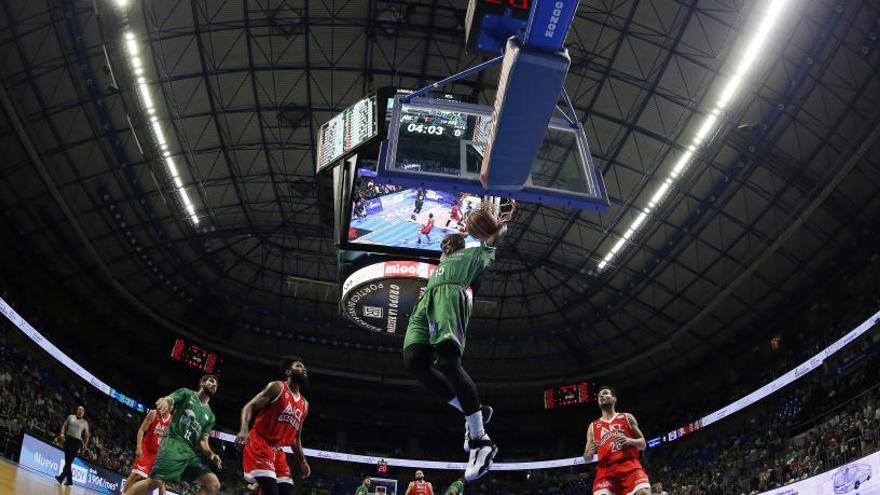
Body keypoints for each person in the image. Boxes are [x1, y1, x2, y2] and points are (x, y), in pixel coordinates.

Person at [403, 208, 512, 481]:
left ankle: (480, 441)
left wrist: (495, 224)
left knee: (448, 363)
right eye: (444, 244)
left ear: (464, 242)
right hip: (426, 303)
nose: (447, 244)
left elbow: (498, 236)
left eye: (451, 242)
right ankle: (474, 410)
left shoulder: (475, 253)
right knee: (414, 361)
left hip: (450, 297)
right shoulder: (439, 265)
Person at [125, 375, 222, 495]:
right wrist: (165, 401)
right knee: (155, 482)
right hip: (172, 443)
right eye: (211, 381)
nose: (214, 385)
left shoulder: (210, 416)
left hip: (189, 453)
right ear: (202, 383)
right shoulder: (187, 394)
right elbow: (171, 399)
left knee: (213, 484)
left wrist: (211, 454)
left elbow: (203, 441)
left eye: (216, 384)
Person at [236, 357, 311, 495]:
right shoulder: (277, 387)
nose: (304, 369)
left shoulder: (304, 405)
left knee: (286, 491)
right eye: (299, 366)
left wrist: (302, 461)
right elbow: (249, 407)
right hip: (260, 441)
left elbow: (295, 438)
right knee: (271, 491)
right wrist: (243, 430)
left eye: (304, 367)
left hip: (277, 450)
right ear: (288, 372)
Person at [583, 386, 651, 495]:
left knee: (643, 492)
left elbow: (643, 444)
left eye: (605, 393)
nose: (601, 396)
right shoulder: (593, 426)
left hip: (630, 465)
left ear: (614, 399)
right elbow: (587, 458)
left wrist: (630, 441)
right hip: (605, 471)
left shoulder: (627, 417)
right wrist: (589, 453)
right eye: (599, 395)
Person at [124, 408, 172, 494]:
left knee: (160, 482)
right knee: (136, 474)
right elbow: (141, 430)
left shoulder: (172, 421)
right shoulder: (153, 413)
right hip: (146, 450)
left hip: (159, 454)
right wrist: (139, 447)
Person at [55, 405, 90, 486]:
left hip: (76, 442)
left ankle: (61, 477)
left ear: (83, 413)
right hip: (68, 440)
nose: (80, 411)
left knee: (69, 461)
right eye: (79, 409)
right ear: (76, 410)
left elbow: (87, 435)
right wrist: (62, 433)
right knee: (68, 461)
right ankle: (69, 481)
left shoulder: (85, 423)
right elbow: (64, 426)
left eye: (82, 410)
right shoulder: (70, 417)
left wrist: (85, 445)